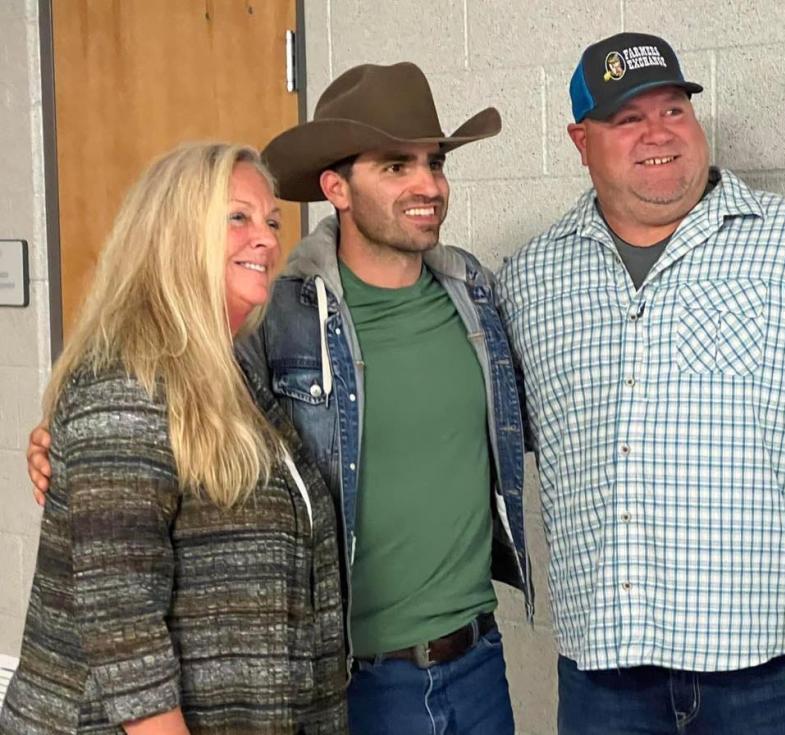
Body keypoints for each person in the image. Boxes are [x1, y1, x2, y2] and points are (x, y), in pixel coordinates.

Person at [28, 63, 531, 735]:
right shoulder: (281, 316)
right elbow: (124, 564)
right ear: (336, 187)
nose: (426, 185)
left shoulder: (476, 293)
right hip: (357, 676)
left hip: (470, 661)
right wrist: (63, 442)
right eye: (394, 166)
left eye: (433, 163)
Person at [496, 32, 785, 735]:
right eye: (628, 119)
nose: (658, 134)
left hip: (780, 680)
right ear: (580, 141)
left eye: (673, 110)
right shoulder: (531, 280)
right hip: (605, 682)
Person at [5, 143, 347, 734]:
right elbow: (123, 622)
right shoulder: (123, 382)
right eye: (237, 217)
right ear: (173, 233)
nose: (265, 239)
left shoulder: (234, 370)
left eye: (270, 221)